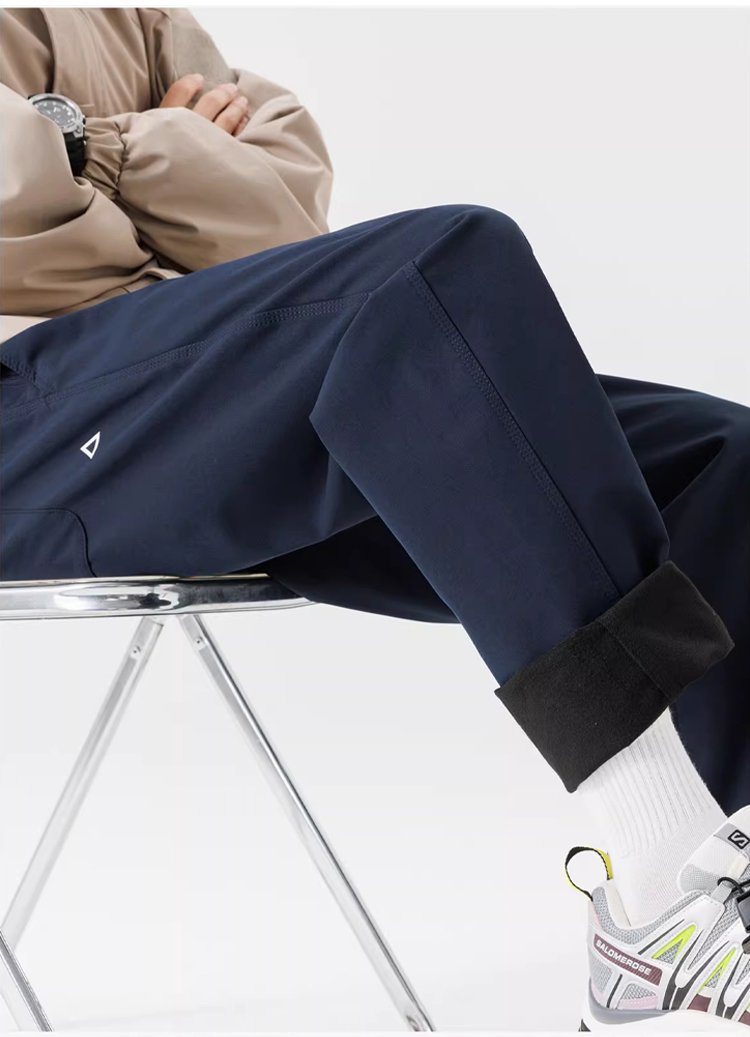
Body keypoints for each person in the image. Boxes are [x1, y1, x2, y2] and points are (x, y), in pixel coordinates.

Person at [1, 9, 749, 1029]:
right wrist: (155, 149)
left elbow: (281, 212)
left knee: (712, 453)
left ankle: (711, 888)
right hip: (31, 421)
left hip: (183, 385)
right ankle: (660, 900)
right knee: (437, 270)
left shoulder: (132, 16)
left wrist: (75, 146)